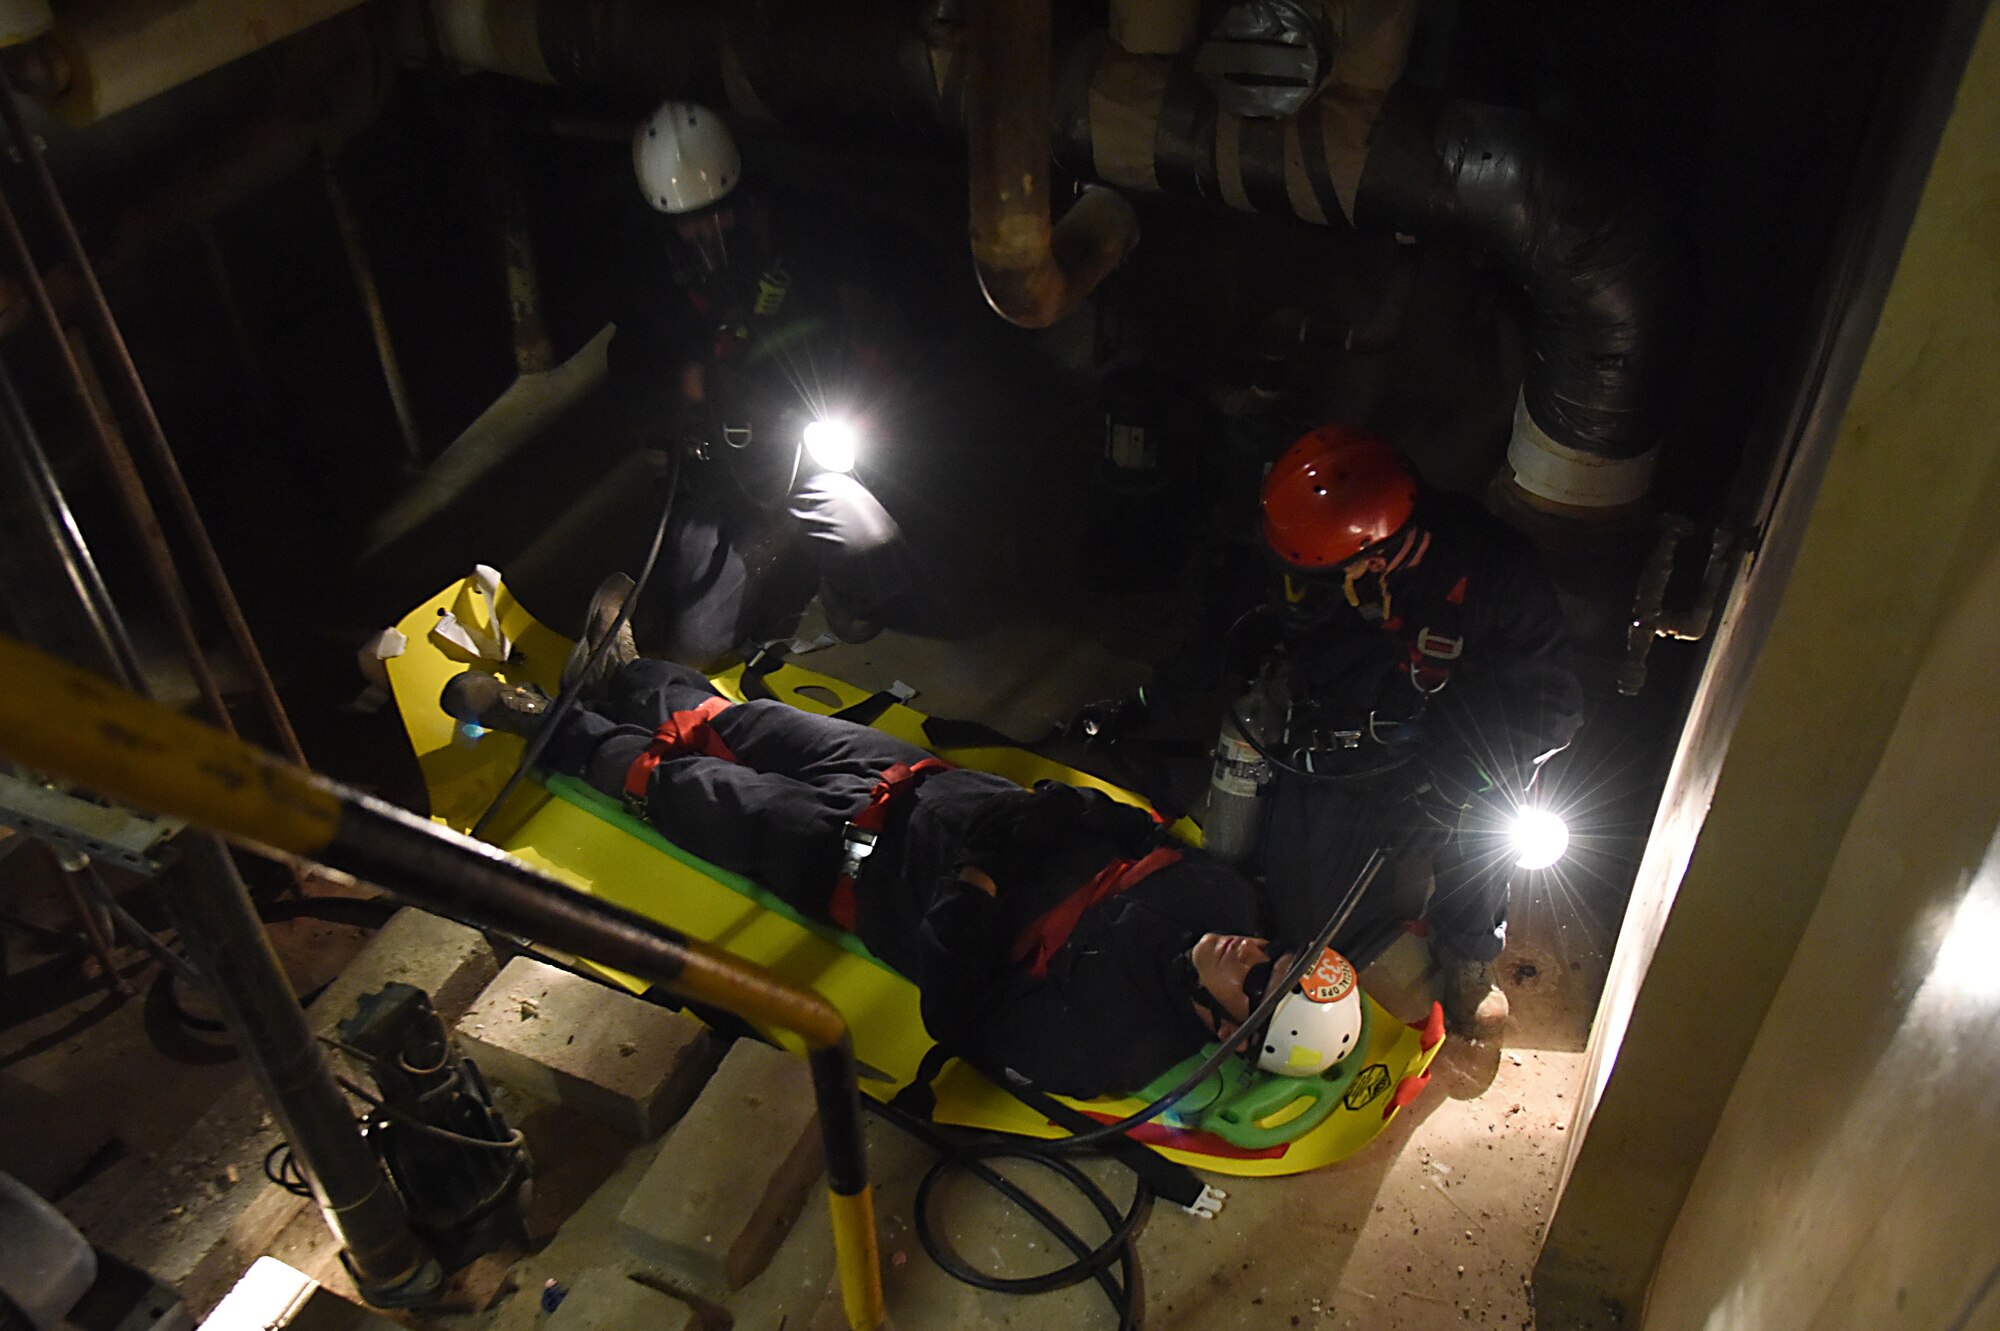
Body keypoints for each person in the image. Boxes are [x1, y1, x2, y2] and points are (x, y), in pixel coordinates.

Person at [441, 653, 1293, 1100]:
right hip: (926, 783)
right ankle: (634, 679)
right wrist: (1060, 812)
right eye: (1276, 950)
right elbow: (1130, 825)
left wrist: (978, 889)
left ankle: (557, 731)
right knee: (756, 721)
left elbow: (960, 1014)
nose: (1249, 946)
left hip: (868, 866)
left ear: (1232, 1029)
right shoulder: (1224, 897)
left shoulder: (1107, 1042)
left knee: (697, 793)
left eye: (1257, 975)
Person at [1084, 424, 1584, 1040]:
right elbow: (1216, 633)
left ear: (1374, 559)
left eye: (1314, 583)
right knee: (1313, 919)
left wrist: (1461, 783)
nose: (1297, 593)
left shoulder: (1495, 574)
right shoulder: (1306, 548)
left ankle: (1470, 960)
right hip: (1354, 728)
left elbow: (1552, 706)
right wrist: (1146, 704)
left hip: (1467, 742)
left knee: (1489, 829)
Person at [611, 100, 916, 662]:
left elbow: (859, 325)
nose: (706, 230)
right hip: (715, 477)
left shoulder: (798, 240)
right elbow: (631, 372)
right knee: (699, 640)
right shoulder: (653, 284)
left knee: (876, 554)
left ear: (741, 194)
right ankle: (740, 560)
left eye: (718, 212)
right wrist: (674, 409)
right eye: (688, 221)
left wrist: (858, 396)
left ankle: (826, 573)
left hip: (799, 448)